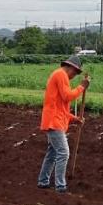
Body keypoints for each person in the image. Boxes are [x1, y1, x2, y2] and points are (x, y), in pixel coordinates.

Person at [37, 54, 90, 193]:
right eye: (75, 72)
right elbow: (67, 96)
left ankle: (43, 181)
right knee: (64, 152)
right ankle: (60, 186)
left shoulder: (60, 76)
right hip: (54, 121)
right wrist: (81, 87)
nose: (74, 76)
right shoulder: (61, 75)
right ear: (70, 67)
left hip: (55, 119)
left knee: (53, 153)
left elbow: (61, 107)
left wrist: (75, 119)